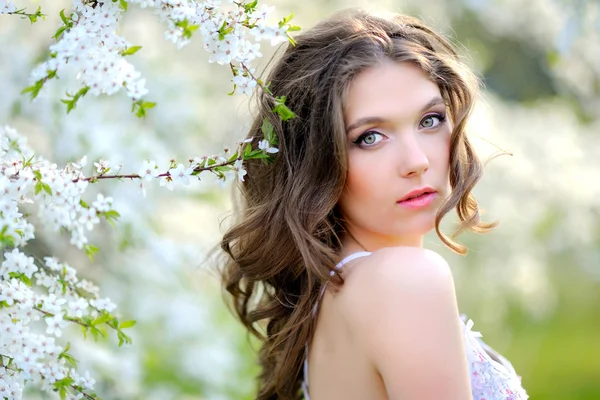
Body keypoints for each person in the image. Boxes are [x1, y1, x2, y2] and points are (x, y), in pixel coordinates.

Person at [220, 7, 528, 400]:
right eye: (369, 137)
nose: (417, 161)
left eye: (430, 120)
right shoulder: (405, 280)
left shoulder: (334, 295)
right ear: (315, 161)